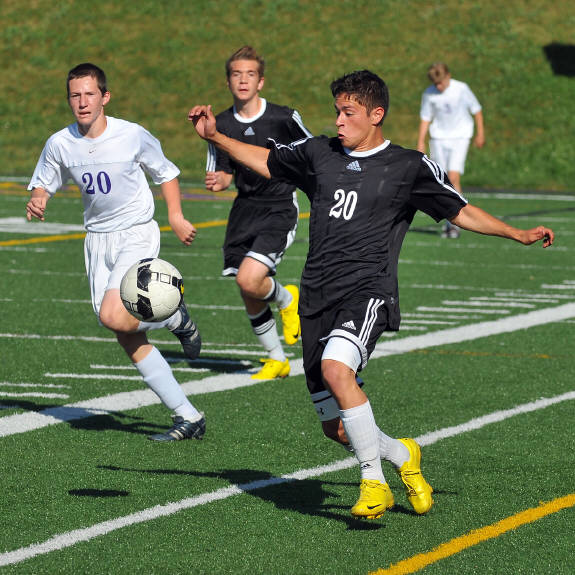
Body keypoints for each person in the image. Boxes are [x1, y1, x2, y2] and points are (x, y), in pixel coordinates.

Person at [188, 70, 553, 520]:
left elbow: (459, 210)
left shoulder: (408, 166)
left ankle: (373, 483)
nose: (339, 121)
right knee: (335, 428)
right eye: (337, 112)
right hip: (316, 297)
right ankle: (402, 455)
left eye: (349, 112)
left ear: (376, 114)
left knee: (336, 369)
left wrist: (516, 233)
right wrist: (216, 136)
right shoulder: (319, 152)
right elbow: (268, 161)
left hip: (368, 292)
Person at [26, 63, 205, 442]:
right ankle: (188, 415)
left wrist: (175, 216)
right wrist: (39, 199)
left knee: (114, 314)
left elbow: (166, 172)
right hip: (98, 241)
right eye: (75, 95)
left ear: (104, 97)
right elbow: (44, 181)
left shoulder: (131, 135)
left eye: (89, 94)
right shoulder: (60, 142)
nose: (82, 102)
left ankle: (172, 315)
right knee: (123, 331)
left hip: (136, 233)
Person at [204, 46, 312, 380]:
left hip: (279, 206)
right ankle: (277, 359)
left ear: (261, 81)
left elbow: (313, 152)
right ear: (227, 82)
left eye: (250, 74)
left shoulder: (283, 118)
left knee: (249, 279)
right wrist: (219, 181)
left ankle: (287, 298)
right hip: (244, 209)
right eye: (236, 74)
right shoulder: (220, 123)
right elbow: (223, 171)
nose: (243, 80)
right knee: (247, 288)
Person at [417, 62, 485, 238]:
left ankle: (456, 224)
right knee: (441, 180)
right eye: (436, 84)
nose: (439, 86)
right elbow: (426, 118)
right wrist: (421, 141)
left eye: (441, 82)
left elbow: (476, 110)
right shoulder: (429, 94)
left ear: (448, 76)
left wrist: (480, 133)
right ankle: (450, 222)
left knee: (454, 178)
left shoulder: (461, 89)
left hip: (460, 137)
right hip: (438, 138)